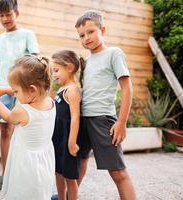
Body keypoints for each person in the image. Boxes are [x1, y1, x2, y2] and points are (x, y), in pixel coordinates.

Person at [74, 10, 136, 199]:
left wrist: (122, 122)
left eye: (91, 32)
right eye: (82, 35)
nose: (86, 38)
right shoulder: (84, 61)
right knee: (78, 162)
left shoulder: (113, 53)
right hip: (83, 119)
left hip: (103, 120)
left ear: (103, 30)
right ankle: (68, 195)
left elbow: (127, 88)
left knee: (117, 171)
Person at [0, 0, 39, 193]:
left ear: (17, 12)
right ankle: (6, 174)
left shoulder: (27, 35)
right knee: (5, 131)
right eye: (1, 15)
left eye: (8, 14)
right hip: (2, 92)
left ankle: (24, 175)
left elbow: (34, 62)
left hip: (23, 92)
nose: (5, 19)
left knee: (25, 132)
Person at [0, 55, 56, 200]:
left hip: (26, 162)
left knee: (22, 190)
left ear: (32, 90)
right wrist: (6, 90)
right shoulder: (50, 102)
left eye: (16, 91)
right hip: (43, 158)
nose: (15, 95)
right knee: (38, 190)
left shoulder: (23, 111)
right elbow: (27, 90)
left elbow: (8, 117)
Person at [51, 50, 85, 200]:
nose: (54, 75)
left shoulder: (72, 90)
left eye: (56, 70)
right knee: (58, 173)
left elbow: (75, 117)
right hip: (57, 138)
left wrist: (71, 142)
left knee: (69, 177)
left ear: (69, 68)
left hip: (67, 139)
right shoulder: (61, 89)